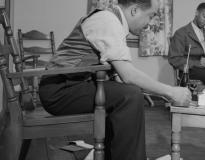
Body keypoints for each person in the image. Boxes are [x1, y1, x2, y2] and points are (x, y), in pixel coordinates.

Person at [38, 0, 191, 160]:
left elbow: (120, 77)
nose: (149, 23)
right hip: (58, 89)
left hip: (72, 85)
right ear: (135, 10)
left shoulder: (113, 20)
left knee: (130, 93)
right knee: (130, 96)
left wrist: (147, 90)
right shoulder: (108, 21)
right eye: (150, 16)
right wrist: (171, 91)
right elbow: (128, 75)